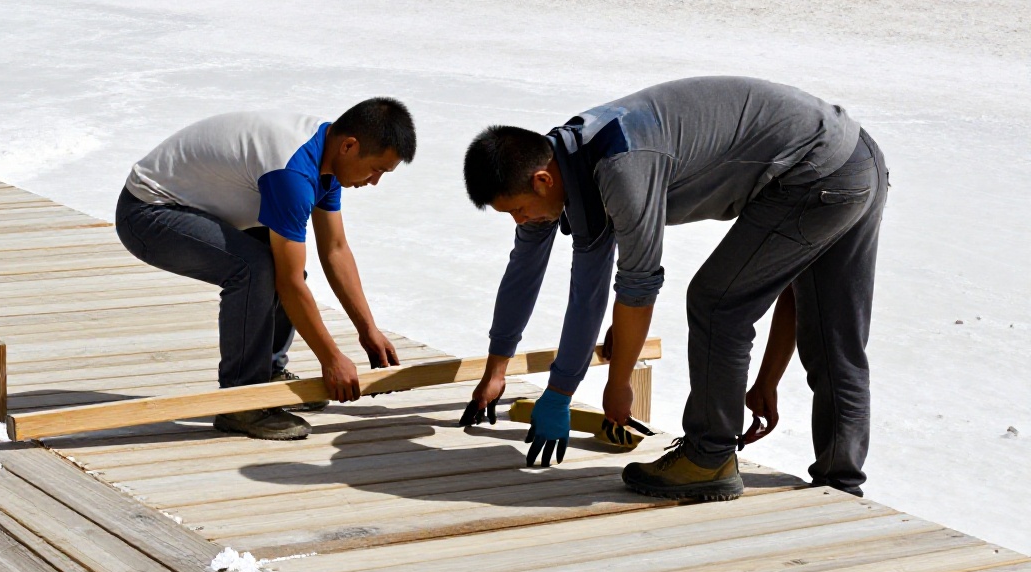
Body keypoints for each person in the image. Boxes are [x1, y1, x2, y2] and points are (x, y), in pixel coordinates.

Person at [460, 76, 886, 501]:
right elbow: (531, 273)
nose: (518, 221)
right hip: (854, 159)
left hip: (813, 171)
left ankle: (709, 458)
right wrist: (498, 368)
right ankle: (840, 484)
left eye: (517, 210)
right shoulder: (563, 159)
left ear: (541, 181)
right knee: (836, 338)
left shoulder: (621, 168)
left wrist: (617, 381)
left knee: (718, 302)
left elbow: (634, 287)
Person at [114, 99, 416, 440]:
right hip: (146, 213)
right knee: (255, 267)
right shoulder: (293, 172)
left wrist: (368, 329)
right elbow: (288, 283)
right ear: (350, 146)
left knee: (276, 261)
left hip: (193, 207)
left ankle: (266, 374)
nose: (374, 182)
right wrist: (331, 358)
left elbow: (335, 249)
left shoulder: (327, 156)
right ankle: (242, 400)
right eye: (377, 169)